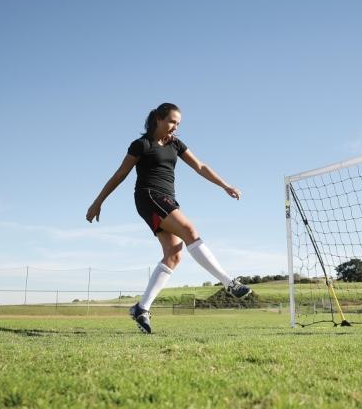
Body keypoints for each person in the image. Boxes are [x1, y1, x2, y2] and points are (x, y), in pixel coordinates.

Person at [86, 102, 251, 334]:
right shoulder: (142, 144)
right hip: (149, 197)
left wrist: (225, 185)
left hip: (168, 200)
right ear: (158, 119)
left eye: (178, 123)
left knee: (174, 254)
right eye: (172, 121)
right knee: (189, 230)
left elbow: (200, 166)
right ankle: (229, 283)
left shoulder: (175, 144)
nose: (175, 127)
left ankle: (141, 308)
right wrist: (98, 201)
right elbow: (120, 174)